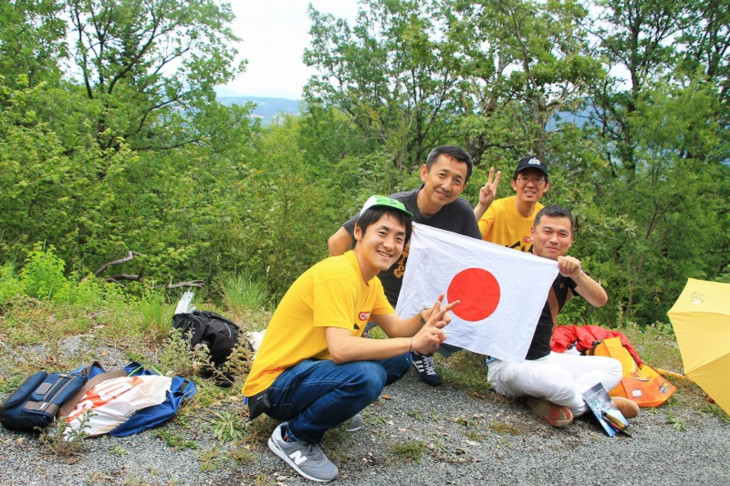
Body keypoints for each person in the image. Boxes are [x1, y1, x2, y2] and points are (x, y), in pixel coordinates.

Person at [244, 195, 457, 482]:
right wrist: (413, 343)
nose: (390, 245)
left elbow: (396, 329)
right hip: (273, 387)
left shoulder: (370, 282)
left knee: (397, 360)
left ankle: (328, 408)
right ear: (358, 232)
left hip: (309, 371)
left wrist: (424, 317)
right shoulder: (338, 274)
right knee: (368, 376)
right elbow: (342, 350)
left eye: (399, 238)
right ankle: (293, 436)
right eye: (382, 233)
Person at [328, 145, 481, 386]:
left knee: (460, 313)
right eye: (442, 175)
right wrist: (345, 288)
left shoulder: (462, 213)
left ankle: (422, 349)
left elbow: (475, 258)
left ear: (462, 187)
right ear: (424, 173)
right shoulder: (395, 206)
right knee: (343, 340)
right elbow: (337, 241)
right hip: (381, 297)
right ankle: (361, 328)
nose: (447, 185)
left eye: (457, 180)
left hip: (425, 298)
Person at [486, 205, 639, 427]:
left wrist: (577, 274)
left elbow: (600, 300)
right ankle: (591, 407)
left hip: (543, 358)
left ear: (571, 240)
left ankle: (549, 401)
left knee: (613, 367)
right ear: (532, 234)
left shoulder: (566, 273)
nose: (554, 239)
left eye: (562, 234)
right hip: (506, 366)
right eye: (547, 232)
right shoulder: (514, 264)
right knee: (560, 381)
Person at [473, 155, 550, 252]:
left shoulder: (545, 217)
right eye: (524, 178)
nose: (530, 185)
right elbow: (467, 236)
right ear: (514, 184)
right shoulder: (497, 209)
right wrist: (482, 205)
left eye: (537, 180)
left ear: (546, 186)